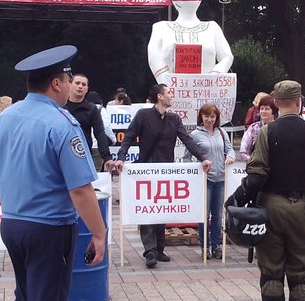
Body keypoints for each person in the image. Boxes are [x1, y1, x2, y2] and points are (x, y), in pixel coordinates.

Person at [0, 45, 106, 301]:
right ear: (57, 83)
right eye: (69, 80)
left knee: (24, 300)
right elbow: (81, 190)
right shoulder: (63, 124)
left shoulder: (6, 117)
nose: (72, 86)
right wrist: (99, 232)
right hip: (49, 228)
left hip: (12, 223)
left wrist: (2, 196)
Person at [225, 80, 305, 301]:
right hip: (304, 208)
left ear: (275, 103)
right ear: (299, 102)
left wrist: (235, 201)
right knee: (300, 276)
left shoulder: (267, 132)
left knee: (272, 274)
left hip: (271, 208)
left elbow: (257, 177)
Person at [112, 84, 211, 268]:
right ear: (160, 96)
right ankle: (150, 251)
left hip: (166, 170)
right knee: (148, 209)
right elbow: (129, 137)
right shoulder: (143, 115)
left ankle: (159, 248)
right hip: (147, 169)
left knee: (163, 207)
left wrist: (202, 158)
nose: (171, 96)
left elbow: (187, 140)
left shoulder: (174, 119)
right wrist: (121, 158)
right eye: (169, 93)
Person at [147, 0, 233, 82]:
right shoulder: (160, 28)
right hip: (170, 96)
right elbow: (154, 56)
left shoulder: (212, 28)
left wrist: (212, 78)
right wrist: (167, 83)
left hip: (206, 95)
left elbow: (227, 56)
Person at [183, 103, 235, 259]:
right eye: (206, 116)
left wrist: (230, 156)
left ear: (216, 118)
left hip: (220, 179)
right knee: (203, 214)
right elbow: (186, 158)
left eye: (212, 116)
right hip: (205, 180)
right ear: (201, 117)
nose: (210, 120)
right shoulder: (194, 135)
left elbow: (230, 148)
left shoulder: (222, 132)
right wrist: (198, 168)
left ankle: (216, 245)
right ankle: (204, 245)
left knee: (218, 215)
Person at [64, 74, 114, 172]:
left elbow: (100, 133)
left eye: (83, 84)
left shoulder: (92, 109)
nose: (80, 86)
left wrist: (107, 157)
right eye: (77, 83)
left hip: (83, 156)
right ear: (70, 85)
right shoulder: (59, 106)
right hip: (61, 155)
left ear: (87, 89)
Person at [239, 96, 278, 161]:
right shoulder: (253, 128)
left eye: (267, 109)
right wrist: (254, 161)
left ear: (273, 111)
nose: (263, 111)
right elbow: (243, 151)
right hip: (257, 168)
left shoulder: (279, 127)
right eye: (261, 108)